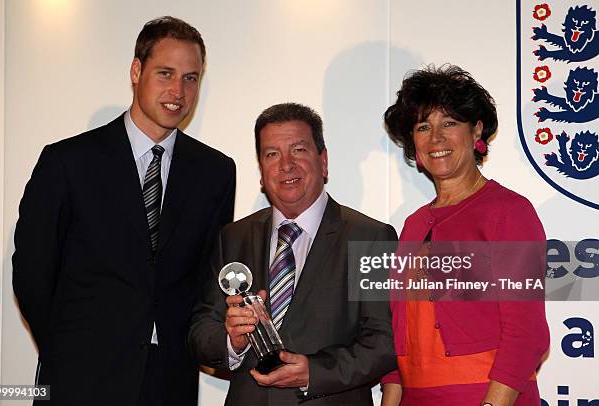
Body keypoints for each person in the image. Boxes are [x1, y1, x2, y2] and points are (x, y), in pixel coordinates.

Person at [12, 16, 235, 406]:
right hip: (79, 379)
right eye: (165, 73)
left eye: (190, 78)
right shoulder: (68, 162)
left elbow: (207, 282)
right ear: (136, 70)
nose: (178, 91)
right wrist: (71, 350)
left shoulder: (215, 172)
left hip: (169, 381)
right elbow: (32, 274)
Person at [188, 102, 397, 405]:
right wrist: (231, 341)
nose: (286, 165)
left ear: (323, 161)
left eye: (298, 150)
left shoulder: (371, 238)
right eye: (272, 154)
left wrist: (314, 372)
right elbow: (200, 330)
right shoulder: (232, 237)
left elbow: (385, 342)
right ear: (261, 171)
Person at [380, 65, 549, 406]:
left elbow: (527, 334)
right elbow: (399, 337)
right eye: (423, 126)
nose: (436, 138)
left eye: (450, 123)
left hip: (487, 397)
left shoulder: (509, 212)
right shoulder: (413, 225)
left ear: (477, 132)